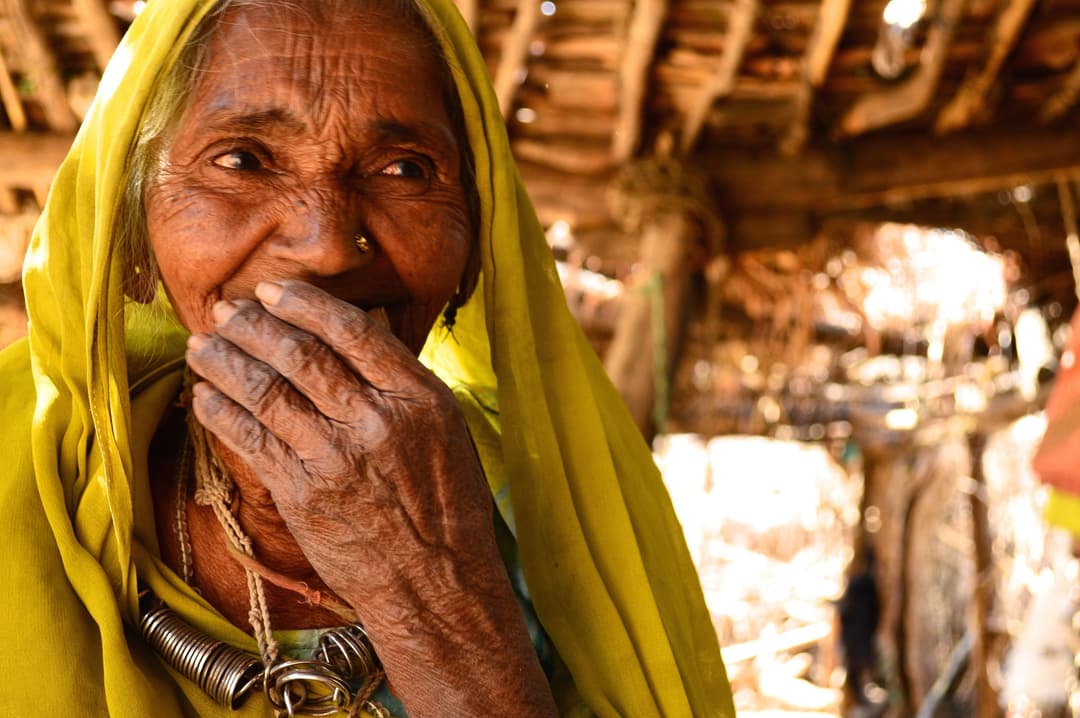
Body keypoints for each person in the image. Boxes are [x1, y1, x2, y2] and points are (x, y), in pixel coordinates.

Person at [0, 0, 734, 716]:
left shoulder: (573, 522)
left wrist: (430, 591)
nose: (325, 245)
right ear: (130, 237)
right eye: (242, 159)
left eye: (405, 171)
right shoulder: (23, 472)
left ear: (477, 255)